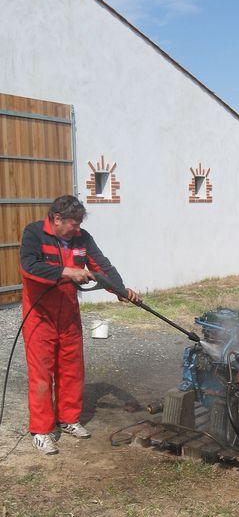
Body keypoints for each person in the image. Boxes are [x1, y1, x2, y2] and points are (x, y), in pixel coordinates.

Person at [20, 195, 140, 455]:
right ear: (57, 219)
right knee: (42, 376)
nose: (77, 229)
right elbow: (29, 267)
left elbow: (101, 265)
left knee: (72, 369)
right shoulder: (34, 233)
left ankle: (69, 419)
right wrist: (67, 272)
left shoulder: (82, 238)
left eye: (79, 224)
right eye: (73, 224)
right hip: (39, 317)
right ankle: (41, 431)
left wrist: (120, 290)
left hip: (69, 316)